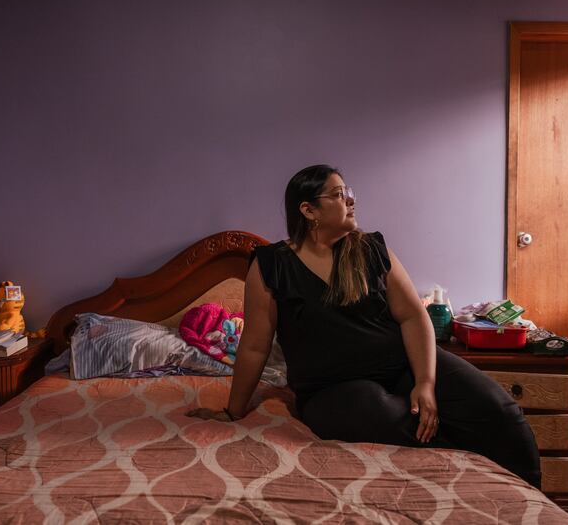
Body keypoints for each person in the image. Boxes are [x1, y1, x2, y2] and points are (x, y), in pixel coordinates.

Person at [187, 164, 541, 488]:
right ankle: (471, 479)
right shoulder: (272, 265)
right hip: (330, 390)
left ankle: (531, 500)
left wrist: (425, 383)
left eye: (349, 192)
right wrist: (233, 411)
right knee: (386, 415)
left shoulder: (371, 248)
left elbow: (413, 316)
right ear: (309, 210)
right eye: (339, 194)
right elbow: (254, 345)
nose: (351, 200)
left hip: (402, 367)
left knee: (500, 410)